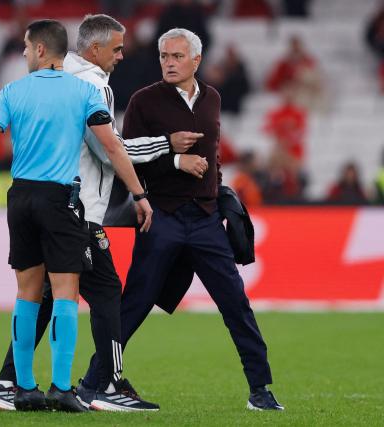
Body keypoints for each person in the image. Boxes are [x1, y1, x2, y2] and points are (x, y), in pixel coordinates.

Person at [0, 14, 207, 413]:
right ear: (95, 48)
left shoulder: (36, 83)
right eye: (117, 48)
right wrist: (166, 149)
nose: (122, 56)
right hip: (76, 208)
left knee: (43, 295)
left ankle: (9, 382)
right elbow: (111, 148)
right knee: (103, 292)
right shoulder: (88, 85)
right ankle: (101, 384)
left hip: (33, 199)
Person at [84, 28, 284, 411]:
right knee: (134, 305)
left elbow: (214, 154)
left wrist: (218, 192)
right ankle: (93, 383)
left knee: (236, 305)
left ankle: (261, 389)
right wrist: (175, 160)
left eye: (177, 56)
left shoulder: (213, 98)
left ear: (196, 60)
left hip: (207, 220)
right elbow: (129, 158)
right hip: (162, 217)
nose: (169, 63)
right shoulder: (143, 101)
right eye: (164, 56)